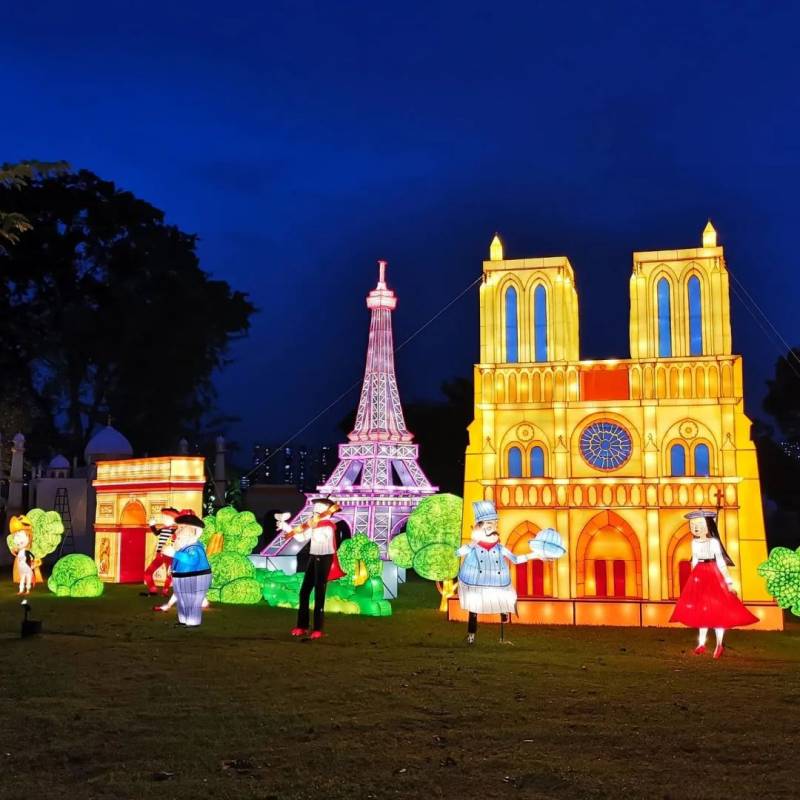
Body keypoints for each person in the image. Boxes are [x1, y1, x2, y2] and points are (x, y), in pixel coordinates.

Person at [669, 510, 758, 658]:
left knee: (718, 612)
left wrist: (729, 582)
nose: (696, 527)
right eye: (693, 525)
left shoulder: (713, 543)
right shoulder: (694, 543)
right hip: (699, 575)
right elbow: (695, 560)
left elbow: (721, 562)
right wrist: (693, 579)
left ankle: (718, 645)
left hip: (713, 573)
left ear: (709, 525)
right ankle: (701, 643)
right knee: (702, 611)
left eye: (700, 524)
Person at [456, 500, 533, 644]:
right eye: (489, 526)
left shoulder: (499, 548)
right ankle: (471, 636)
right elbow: (458, 552)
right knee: (474, 609)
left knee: (504, 601)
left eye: (495, 526)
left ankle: (502, 630)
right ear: (479, 528)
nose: (494, 529)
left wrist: (534, 555)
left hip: (498, 583)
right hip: (476, 582)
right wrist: (473, 543)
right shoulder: (473, 547)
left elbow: (515, 559)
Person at [276, 497, 345, 639]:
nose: (315, 510)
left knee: (319, 593)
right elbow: (301, 537)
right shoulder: (314, 523)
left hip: (325, 558)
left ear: (327, 510)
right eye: (315, 509)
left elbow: (322, 539)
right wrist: (285, 526)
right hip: (313, 557)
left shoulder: (328, 526)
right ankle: (302, 625)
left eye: (319, 508)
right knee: (304, 591)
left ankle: (318, 628)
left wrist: (313, 525)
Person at [163, 511, 212, 627]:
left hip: (196, 579)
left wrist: (174, 554)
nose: (177, 532)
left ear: (195, 531)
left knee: (192, 601)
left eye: (182, 528)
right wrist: (172, 567)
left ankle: (193, 621)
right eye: (178, 528)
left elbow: (192, 560)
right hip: (181, 578)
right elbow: (179, 559)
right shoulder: (182, 547)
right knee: (182, 600)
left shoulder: (195, 548)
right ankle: (183, 620)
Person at [143, 507, 179, 596]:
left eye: (165, 517)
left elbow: (176, 542)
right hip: (159, 554)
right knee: (148, 573)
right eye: (163, 517)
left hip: (169, 555)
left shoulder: (175, 530)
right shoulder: (164, 529)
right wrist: (152, 525)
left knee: (169, 574)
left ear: (172, 518)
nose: (163, 518)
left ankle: (165, 590)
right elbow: (156, 533)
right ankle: (153, 589)